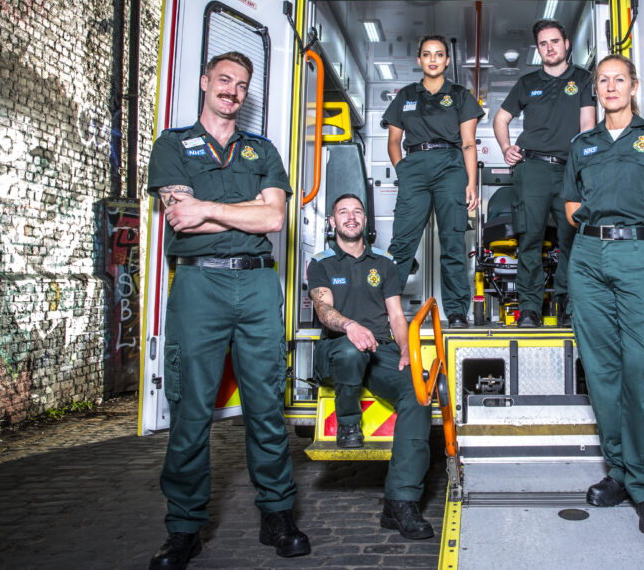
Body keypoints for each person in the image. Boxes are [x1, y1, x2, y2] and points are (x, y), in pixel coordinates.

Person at [147, 51, 308, 569]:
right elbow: (181, 222)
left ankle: (278, 515)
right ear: (204, 83)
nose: (233, 91)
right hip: (199, 287)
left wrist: (210, 208)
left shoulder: (262, 150)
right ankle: (184, 529)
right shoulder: (172, 145)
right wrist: (245, 215)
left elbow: (275, 220)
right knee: (191, 410)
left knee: (266, 407)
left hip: (258, 287)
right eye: (224, 80)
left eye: (241, 85)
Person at [562, 54, 644, 536]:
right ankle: (619, 474)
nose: (611, 87)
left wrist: (639, 242)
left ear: (634, 86)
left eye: (620, 79)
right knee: (603, 372)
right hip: (589, 261)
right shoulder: (583, 144)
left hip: (640, 258)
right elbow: (572, 203)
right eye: (603, 81)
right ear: (595, 90)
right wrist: (599, 236)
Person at [307, 194, 435, 540]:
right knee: (351, 352)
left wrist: (407, 352)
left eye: (357, 212)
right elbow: (324, 311)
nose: (351, 217)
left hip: (381, 351)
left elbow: (396, 315)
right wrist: (350, 326)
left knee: (419, 394)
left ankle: (400, 502)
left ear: (366, 221)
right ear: (332, 223)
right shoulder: (320, 264)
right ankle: (348, 425)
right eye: (343, 212)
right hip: (338, 349)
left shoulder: (385, 263)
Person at [493, 20, 596, 327]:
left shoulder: (583, 79)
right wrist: (505, 147)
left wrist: (583, 167)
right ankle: (529, 309)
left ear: (566, 44)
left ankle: (566, 305)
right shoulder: (526, 83)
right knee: (530, 239)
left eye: (554, 41)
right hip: (532, 168)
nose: (550, 48)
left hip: (568, 169)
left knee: (571, 238)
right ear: (538, 49)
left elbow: (588, 126)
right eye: (543, 44)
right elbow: (501, 119)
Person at [384, 35, 483, 328]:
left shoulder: (461, 95)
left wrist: (471, 183)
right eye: (427, 54)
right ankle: (386, 311)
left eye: (439, 54)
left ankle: (455, 312)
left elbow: (468, 143)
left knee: (452, 241)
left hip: (450, 167)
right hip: (413, 165)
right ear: (419, 60)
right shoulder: (405, 95)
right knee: (402, 243)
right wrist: (403, 170)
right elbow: (393, 142)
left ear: (447, 60)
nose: (433, 59)